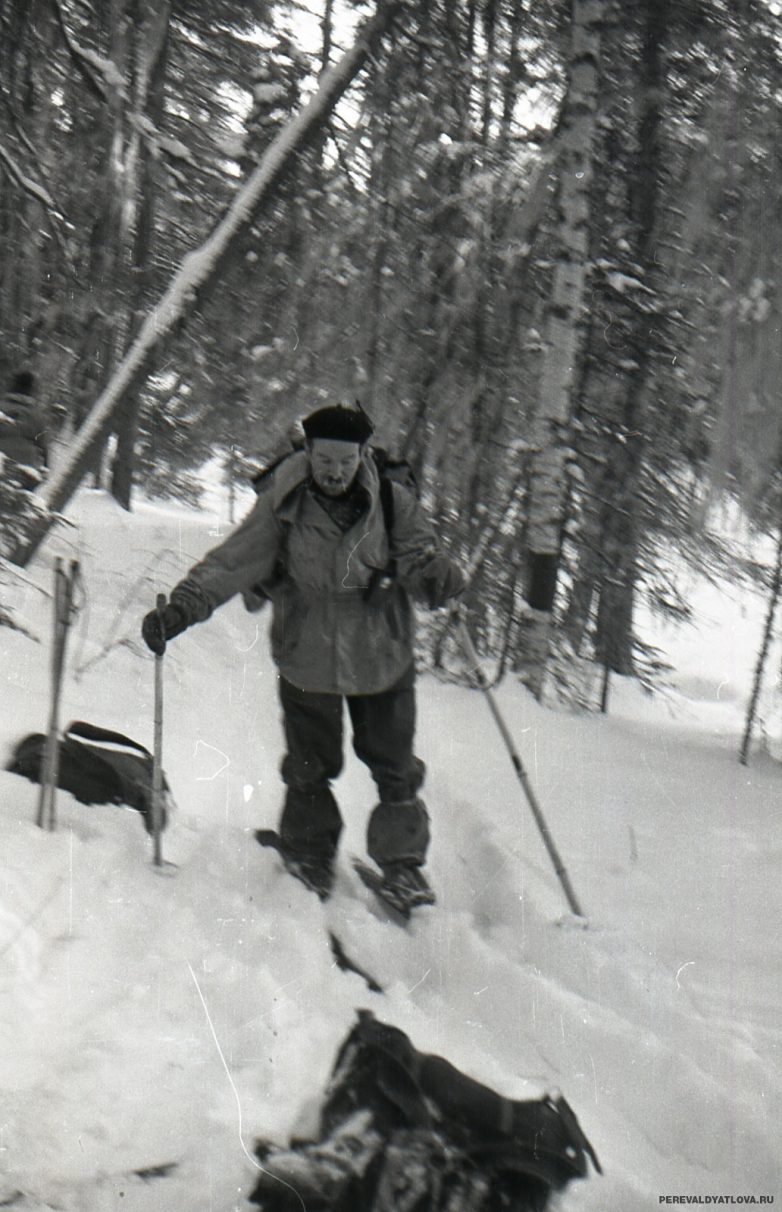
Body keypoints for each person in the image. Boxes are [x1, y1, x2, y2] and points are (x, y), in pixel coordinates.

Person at [142, 403, 465, 910]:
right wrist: (182, 609)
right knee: (310, 762)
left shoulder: (392, 500)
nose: (335, 472)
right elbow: (232, 562)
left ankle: (403, 868)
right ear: (309, 454)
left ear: (362, 456)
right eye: (325, 460)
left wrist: (437, 575)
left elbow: (422, 557)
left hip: (381, 647)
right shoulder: (283, 501)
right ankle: (310, 855)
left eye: (346, 460)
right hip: (308, 645)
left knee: (394, 763)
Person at [0, 371, 48, 486]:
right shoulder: (37, 414)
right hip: (25, 468)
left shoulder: (1, 407)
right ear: (31, 389)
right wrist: (46, 466)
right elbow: (43, 445)